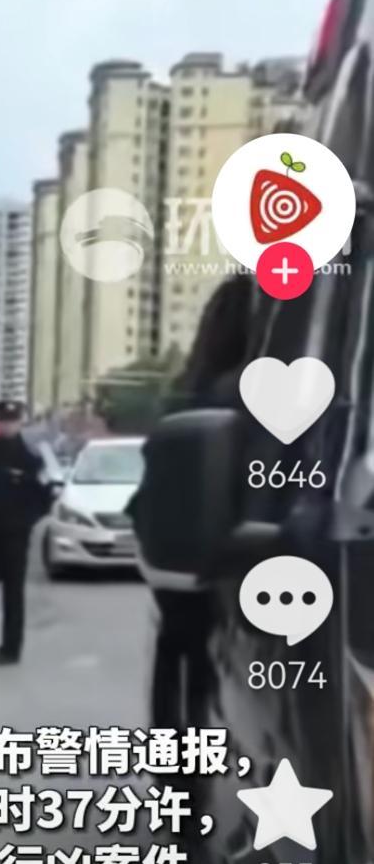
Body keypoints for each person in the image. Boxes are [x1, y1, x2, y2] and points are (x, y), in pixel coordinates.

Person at [131, 273, 258, 730]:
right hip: (223, 557)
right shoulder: (244, 391)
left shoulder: (186, 392)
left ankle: (176, 753)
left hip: (173, 552)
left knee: (176, 654)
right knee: (197, 667)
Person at [0, 400, 51, 665]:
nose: (7, 426)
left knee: (13, 595)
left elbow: (45, 497)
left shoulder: (31, 459)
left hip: (15, 537)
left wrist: (25, 523)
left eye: (12, 421)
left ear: (20, 423)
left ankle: (11, 648)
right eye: (3, 421)